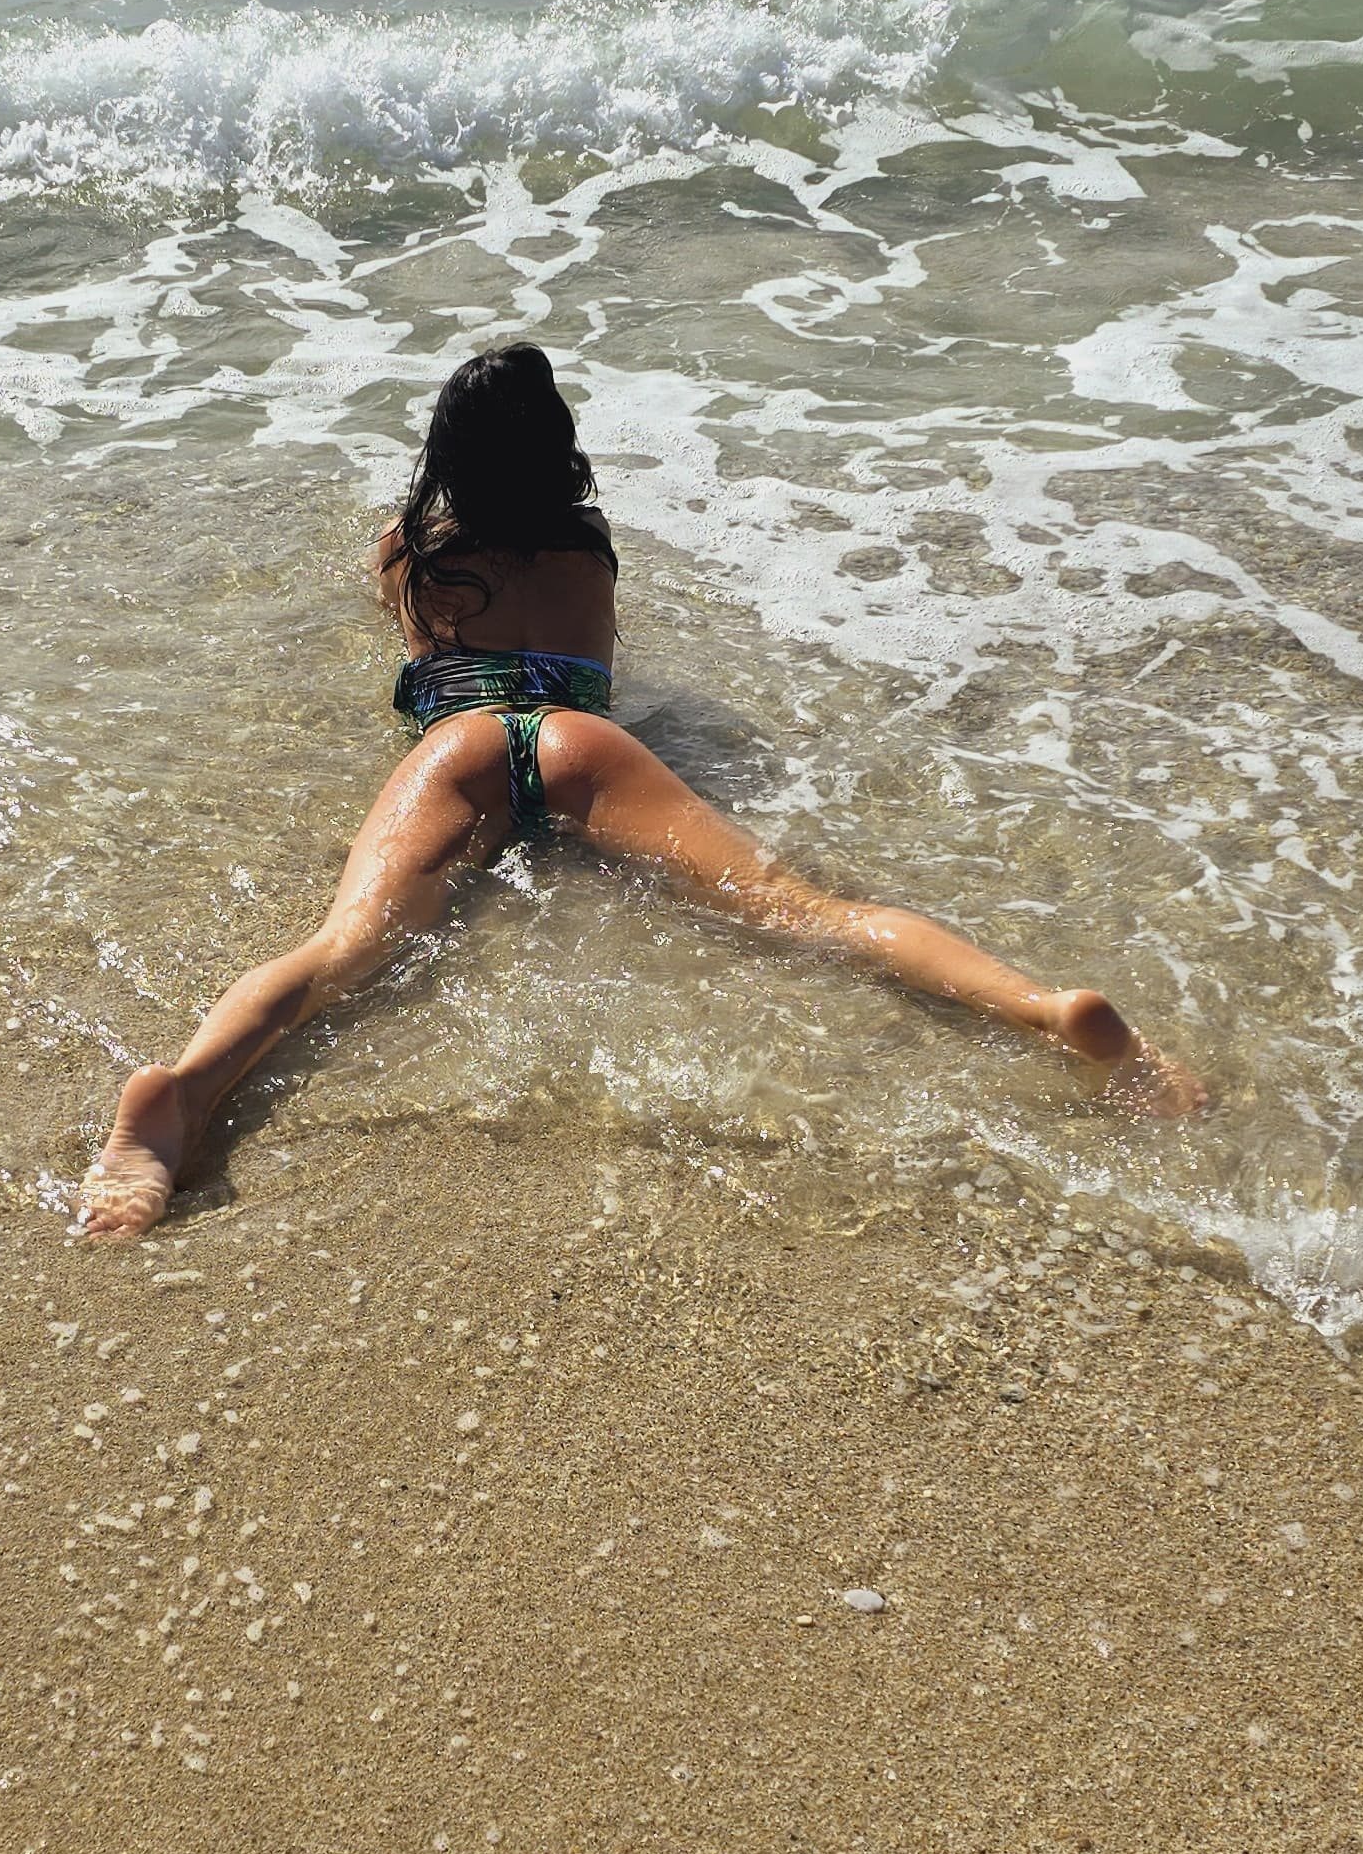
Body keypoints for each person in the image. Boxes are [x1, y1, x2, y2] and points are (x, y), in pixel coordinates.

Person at [78, 344, 1207, 1237]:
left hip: (461, 748)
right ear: (557, 445)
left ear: (445, 452)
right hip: (582, 746)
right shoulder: (587, 544)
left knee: (342, 951)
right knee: (804, 910)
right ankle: (1044, 1011)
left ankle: (182, 1097)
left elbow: (405, 630)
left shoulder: (406, 552)